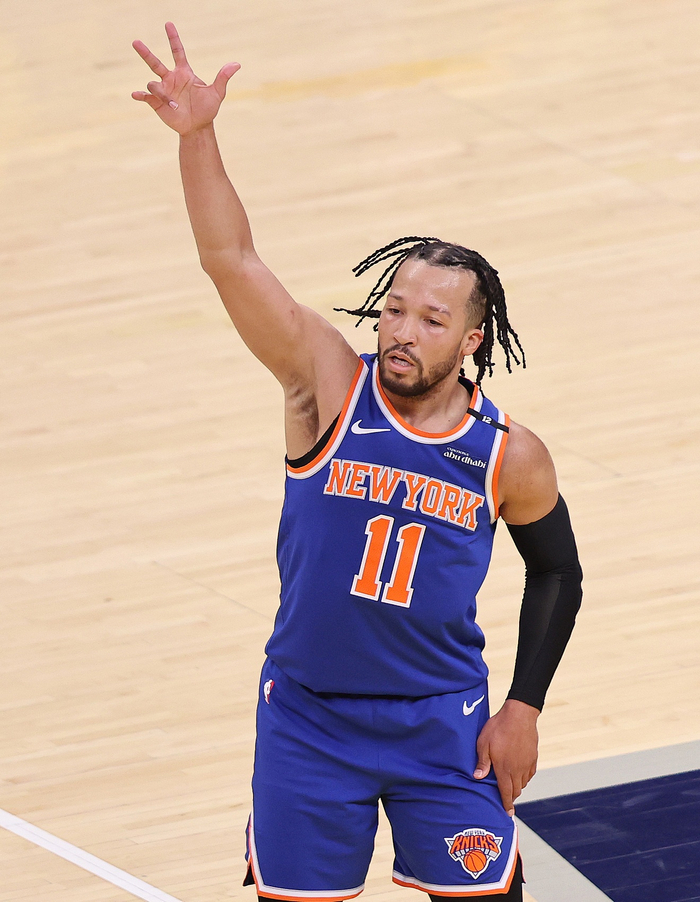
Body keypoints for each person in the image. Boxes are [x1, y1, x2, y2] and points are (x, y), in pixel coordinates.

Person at [132, 23, 583, 902]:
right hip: (309, 721)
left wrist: (523, 705)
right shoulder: (327, 387)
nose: (403, 332)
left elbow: (558, 571)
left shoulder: (508, 453)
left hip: (444, 725)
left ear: (472, 339)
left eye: (432, 320)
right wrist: (199, 138)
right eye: (395, 309)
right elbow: (231, 261)